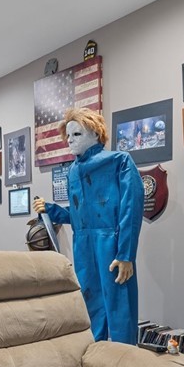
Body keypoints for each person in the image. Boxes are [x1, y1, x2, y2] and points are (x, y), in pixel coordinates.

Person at [34, 108, 143, 344]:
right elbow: (79, 214)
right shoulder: (73, 171)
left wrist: (126, 254)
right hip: (83, 244)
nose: (70, 141)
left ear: (95, 133)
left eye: (77, 134)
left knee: (120, 306)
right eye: (68, 136)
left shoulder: (119, 161)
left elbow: (131, 209)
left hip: (111, 243)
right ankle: (94, 356)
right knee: (90, 305)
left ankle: (126, 358)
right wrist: (50, 209)